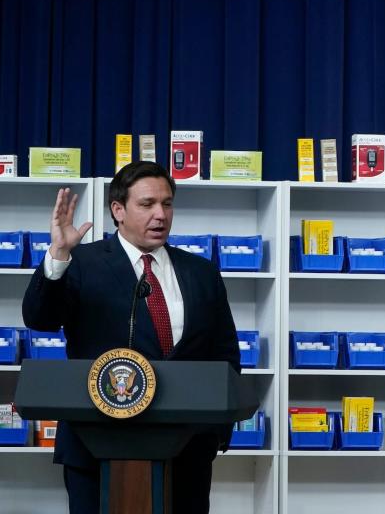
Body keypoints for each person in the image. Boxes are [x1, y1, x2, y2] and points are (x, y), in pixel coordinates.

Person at [22, 161, 240, 514]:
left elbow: (225, 352)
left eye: (167, 204)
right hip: (98, 443)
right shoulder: (82, 262)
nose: (160, 215)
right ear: (118, 210)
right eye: (147, 204)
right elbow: (40, 319)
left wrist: (216, 427)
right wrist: (59, 255)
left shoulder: (201, 272)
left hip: (187, 449)